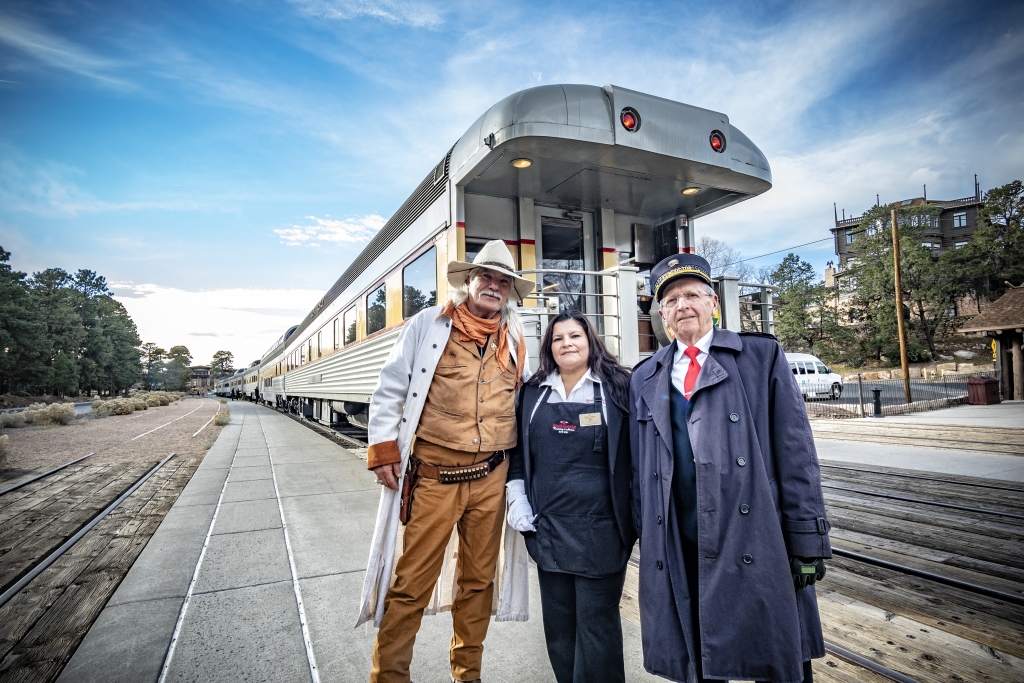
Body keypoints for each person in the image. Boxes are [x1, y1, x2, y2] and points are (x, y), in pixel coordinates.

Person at [630, 253, 831, 683]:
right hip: (680, 538)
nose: (682, 305)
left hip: (754, 534)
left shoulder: (760, 357)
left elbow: (796, 452)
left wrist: (807, 539)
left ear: (713, 303)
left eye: (692, 295)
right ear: (662, 314)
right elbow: (637, 467)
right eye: (671, 299)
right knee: (698, 654)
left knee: (776, 653)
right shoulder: (645, 375)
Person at [357, 240, 535, 683]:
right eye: (486, 276)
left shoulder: (515, 337)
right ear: (468, 281)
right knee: (411, 581)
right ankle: (390, 676)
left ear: (510, 292)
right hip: (434, 476)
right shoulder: (428, 324)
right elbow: (391, 387)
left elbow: (528, 396)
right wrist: (382, 451)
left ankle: (467, 673)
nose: (494, 286)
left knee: (478, 583)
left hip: (492, 478)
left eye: (503, 281)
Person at [505, 309, 636, 683]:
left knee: (597, 628)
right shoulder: (533, 391)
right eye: (558, 338)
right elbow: (517, 455)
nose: (567, 344)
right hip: (547, 529)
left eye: (575, 336)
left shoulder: (618, 387)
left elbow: (639, 455)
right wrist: (517, 498)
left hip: (603, 531)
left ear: (590, 341)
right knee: (560, 631)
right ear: (549, 347)